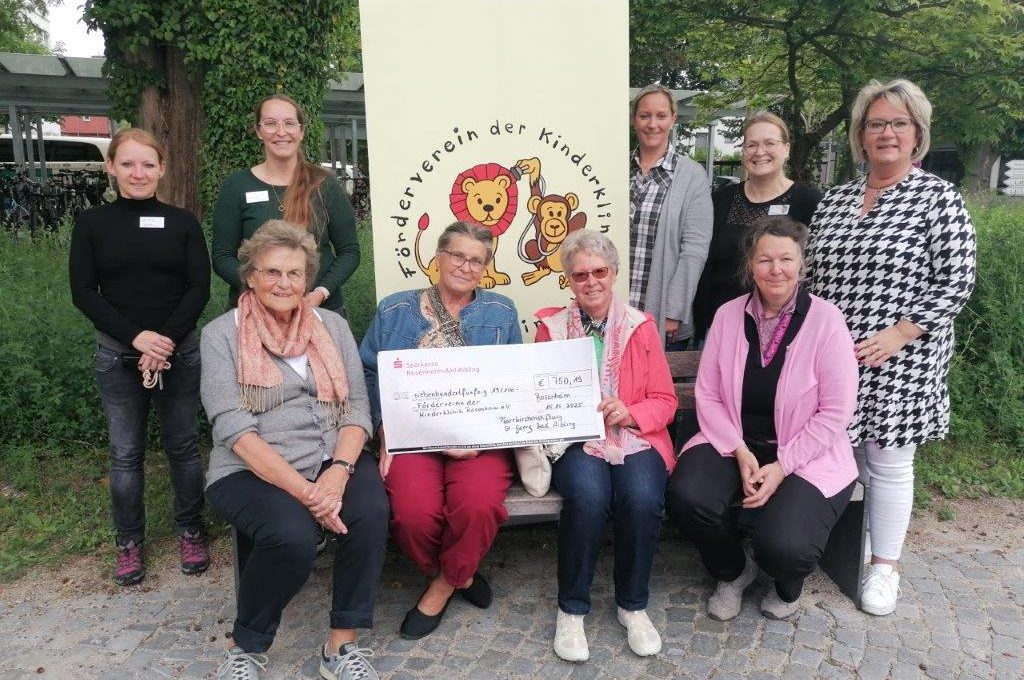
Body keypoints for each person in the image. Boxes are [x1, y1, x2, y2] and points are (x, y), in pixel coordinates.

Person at [807, 79, 976, 616]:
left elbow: (956, 280)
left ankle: (885, 567)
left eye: (899, 123)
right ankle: (846, 551)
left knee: (888, 461)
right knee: (846, 454)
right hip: (838, 357)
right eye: (876, 123)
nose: (887, 133)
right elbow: (811, 277)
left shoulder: (938, 198)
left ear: (917, 133)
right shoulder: (836, 200)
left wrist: (900, 333)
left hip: (903, 357)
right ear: (860, 134)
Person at [201, 221, 386, 680]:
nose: (284, 283)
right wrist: (310, 495)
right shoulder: (221, 335)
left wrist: (339, 471)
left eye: (294, 273)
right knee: (292, 537)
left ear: (307, 280)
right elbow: (234, 429)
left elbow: (356, 409)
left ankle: (341, 646)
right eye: (272, 272)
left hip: (332, 457)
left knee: (369, 512)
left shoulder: (333, 326)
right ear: (251, 277)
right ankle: (245, 647)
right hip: (249, 467)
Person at [666, 217, 859, 621]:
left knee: (786, 546)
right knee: (687, 497)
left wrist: (783, 466)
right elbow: (708, 394)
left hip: (806, 453)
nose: (776, 269)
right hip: (733, 440)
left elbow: (835, 412)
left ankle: (788, 586)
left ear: (801, 263)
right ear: (750, 265)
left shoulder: (827, 321)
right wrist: (738, 450)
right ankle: (734, 571)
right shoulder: (727, 316)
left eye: (786, 259)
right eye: (765, 259)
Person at [359, 222, 522, 640]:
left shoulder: (501, 312)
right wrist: (383, 429)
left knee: (478, 505)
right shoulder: (394, 310)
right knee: (413, 514)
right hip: (412, 437)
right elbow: (368, 372)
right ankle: (461, 575)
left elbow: (513, 382)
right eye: (457, 255)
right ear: (438, 257)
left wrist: (484, 434)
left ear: (485, 267)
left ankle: (441, 587)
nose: (465, 267)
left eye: (476, 260)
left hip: (478, 441)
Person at [69, 128, 211, 586]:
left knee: (183, 446)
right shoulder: (92, 223)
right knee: (125, 453)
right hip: (118, 355)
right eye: (128, 163)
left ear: (162, 169)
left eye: (148, 164)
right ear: (110, 167)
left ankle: (191, 530)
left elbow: (199, 288)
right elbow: (83, 292)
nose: (138, 173)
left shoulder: (183, 222)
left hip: (178, 353)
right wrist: (137, 338)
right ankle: (129, 541)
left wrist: (164, 340)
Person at [534, 230, 677, 661]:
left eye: (599, 271)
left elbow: (665, 400)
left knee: (642, 497)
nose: (591, 281)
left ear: (614, 273)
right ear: (569, 280)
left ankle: (632, 605)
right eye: (580, 275)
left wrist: (630, 412)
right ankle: (572, 609)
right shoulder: (551, 329)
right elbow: (540, 397)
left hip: (635, 436)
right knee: (588, 497)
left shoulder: (640, 327)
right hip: (577, 439)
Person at [212, 93, 359, 315]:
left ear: (301, 131)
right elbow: (222, 256)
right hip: (256, 311)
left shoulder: (324, 184)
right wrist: (259, 288)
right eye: (270, 123)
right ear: (259, 131)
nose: (281, 132)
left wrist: (320, 293)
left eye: (289, 123)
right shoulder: (237, 186)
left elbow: (349, 251)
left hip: (318, 309)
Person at [693, 111, 822, 344]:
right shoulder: (721, 199)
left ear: (786, 149)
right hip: (722, 328)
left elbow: (814, 271)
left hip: (786, 331)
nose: (760, 151)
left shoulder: (809, 202)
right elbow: (704, 265)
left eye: (769, 143)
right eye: (751, 145)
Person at [629, 84, 713, 348]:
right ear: (634, 119)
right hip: (616, 309)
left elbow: (694, 250)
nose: (652, 124)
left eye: (661, 116)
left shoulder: (692, 176)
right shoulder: (618, 170)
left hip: (662, 312)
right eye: (644, 116)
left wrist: (674, 310)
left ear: (673, 119)